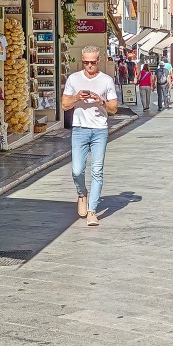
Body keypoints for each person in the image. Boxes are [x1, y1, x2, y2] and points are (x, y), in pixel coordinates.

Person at [61, 46, 118, 226]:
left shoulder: (106, 80)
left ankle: (92, 211)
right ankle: (82, 194)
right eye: (86, 62)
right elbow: (64, 105)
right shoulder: (74, 78)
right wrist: (77, 97)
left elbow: (114, 108)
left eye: (93, 62)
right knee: (77, 170)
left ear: (98, 60)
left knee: (97, 170)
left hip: (100, 130)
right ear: (82, 60)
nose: (89, 66)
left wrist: (100, 101)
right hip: (79, 129)